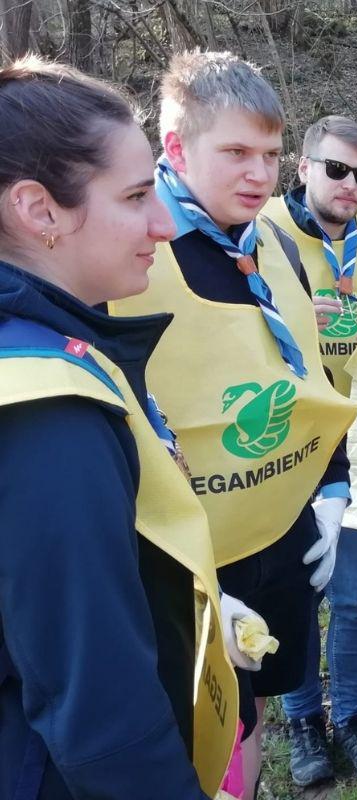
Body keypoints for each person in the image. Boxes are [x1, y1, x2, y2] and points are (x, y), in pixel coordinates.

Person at [107, 51, 357, 798]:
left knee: (247, 715)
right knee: (187, 723)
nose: (259, 173)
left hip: (279, 532)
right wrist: (171, 571)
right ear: (176, 150)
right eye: (236, 153)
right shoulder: (130, 254)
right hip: (182, 555)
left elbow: (307, 373)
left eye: (272, 154)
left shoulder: (273, 242)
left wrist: (333, 486)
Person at [0, 56, 245, 798]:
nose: (164, 224)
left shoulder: (49, 348)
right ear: (39, 210)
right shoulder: (47, 415)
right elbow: (101, 714)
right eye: (137, 196)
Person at [264, 115, 357, 785]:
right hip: (288, 445)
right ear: (302, 168)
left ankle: (351, 718)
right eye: (336, 169)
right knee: (299, 591)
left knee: (355, 597)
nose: (350, 185)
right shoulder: (262, 231)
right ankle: (303, 724)